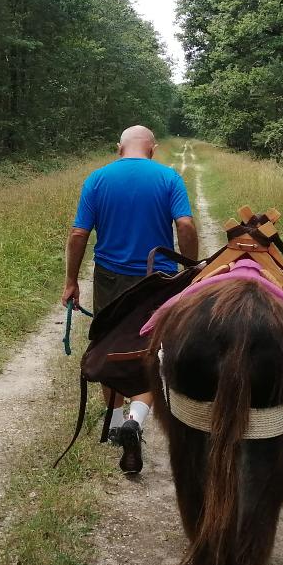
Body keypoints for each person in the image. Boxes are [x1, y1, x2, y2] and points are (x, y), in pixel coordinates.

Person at [62, 125, 199, 473]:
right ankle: (135, 421)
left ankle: (114, 424)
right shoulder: (169, 178)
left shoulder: (97, 178)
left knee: (109, 344)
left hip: (110, 276)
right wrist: (192, 271)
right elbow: (185, 225)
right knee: (153, 350)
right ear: (152, 149)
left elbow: (79, 232)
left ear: (118, 147)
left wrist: (71, 280)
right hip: (157, 279)